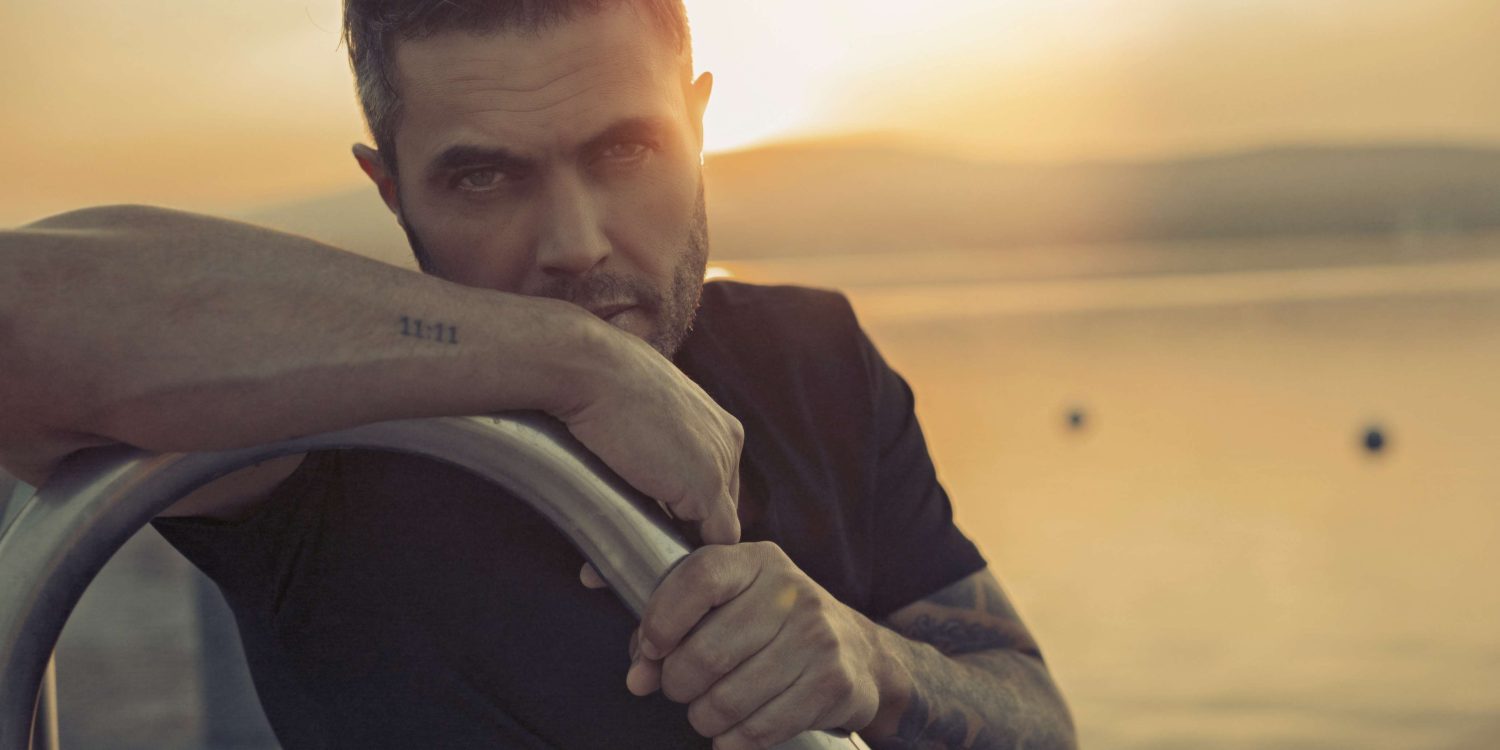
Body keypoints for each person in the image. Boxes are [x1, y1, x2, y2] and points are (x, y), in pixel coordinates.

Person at [0, 0, 1075, 747]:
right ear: (390, 189)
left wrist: (871, 664)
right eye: (484, 177)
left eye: (626, 152)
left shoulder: (812, 355)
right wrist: (574, 361)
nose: (576, 243)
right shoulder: (329, 424)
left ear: (700, 124)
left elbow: (1033, 716)